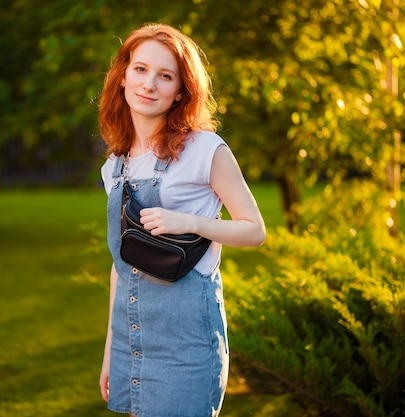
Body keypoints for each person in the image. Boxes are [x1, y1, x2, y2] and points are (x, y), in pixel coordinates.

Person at [98, 23, 266, 417]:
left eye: (165, 76)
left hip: (187, 341)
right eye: (140, 70)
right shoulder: (114, 166)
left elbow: (254, 230)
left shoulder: (205, 150)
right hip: (132, 336)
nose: (149, 84)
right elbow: (120, 267)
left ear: (180, 92)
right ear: (123, 77)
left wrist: (187, 222)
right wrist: (111, 349)